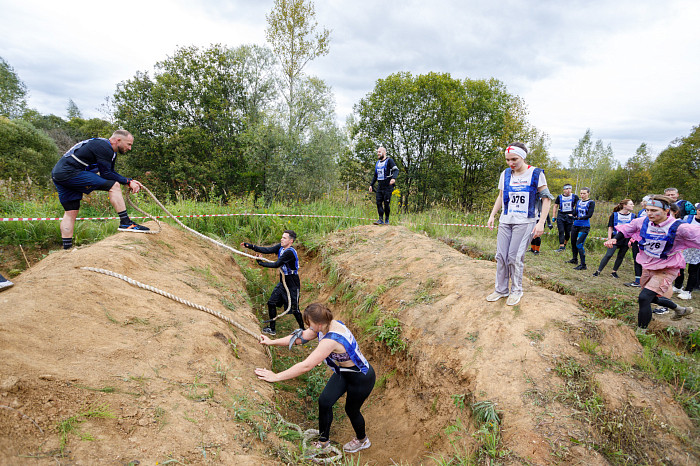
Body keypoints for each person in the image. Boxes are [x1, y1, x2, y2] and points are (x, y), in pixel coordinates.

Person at [255, 302, 375, 454]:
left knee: (351, 410)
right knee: (324, 401)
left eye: (310, 324)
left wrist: (276, 376)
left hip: (361, 377)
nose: (308, 327)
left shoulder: (331, 340)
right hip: (344, 372)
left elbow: (306, 366)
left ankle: (362, 440)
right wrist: (272, 342)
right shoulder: (324, 326)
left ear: (319, 323)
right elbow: (299, 338)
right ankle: (323, 442)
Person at [604, 195, 698, 329]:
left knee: (643, 298)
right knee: (650, 297)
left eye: (654, 210)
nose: (649, 213)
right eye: (648, 210)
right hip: (649, 265)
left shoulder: (679, 227)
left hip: (668, 267)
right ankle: (679, 309)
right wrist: (614, 239)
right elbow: (628, 229)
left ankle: (641, 333)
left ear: (666, 211)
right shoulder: (643, 222)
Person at [51, 130, 149, 250]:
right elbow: (106, 174)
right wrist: (128, 181)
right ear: (118, 140)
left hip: (58, 174)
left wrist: (129, 181)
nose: (130, 148)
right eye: (128, 144)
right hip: (70, 172)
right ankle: (125, 222)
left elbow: (110, 172)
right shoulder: (104, 146)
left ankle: (66, 249)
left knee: (70, 212)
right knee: (114, 186)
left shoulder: (107, 149)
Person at [486, 143, 553, 306]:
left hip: (525, 222)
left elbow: (546, 199)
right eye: (508, 160)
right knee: (501, 256)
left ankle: (516, 291)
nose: (511, 163)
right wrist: (492, 215)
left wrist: (541, 223)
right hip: (506, 220)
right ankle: (501, 290)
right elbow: (501, 196)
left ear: (522, 156)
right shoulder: (505, 174)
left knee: (514, 257)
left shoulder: (536, 173)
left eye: (514, 159)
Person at [242, 230, 304, 336]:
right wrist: (250, 246)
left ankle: (303, 330)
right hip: (282, 282)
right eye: (282, 237)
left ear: (291, 241)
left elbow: (276, 264)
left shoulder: (289, 252)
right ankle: (272, 328)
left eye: (284, 238)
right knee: (271, 303)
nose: (281, 239)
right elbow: (266, 250)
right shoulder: (280, 247)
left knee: (295, 309)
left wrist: (261, 263)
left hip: (292, 283)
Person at [593, 199, 636, 278]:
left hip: (626, 239)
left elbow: (634, 229)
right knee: (609, 254)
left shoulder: (633, 216)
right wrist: (609, 239)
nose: (633, 205)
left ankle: (614, 272)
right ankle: (598, 271)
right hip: (615, 237)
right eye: (631, 204)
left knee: (621, 256)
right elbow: (610, 227)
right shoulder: (615, 215)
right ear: (624, 205)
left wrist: (632, 239)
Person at [672, 209, 700, 300]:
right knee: (680, 267)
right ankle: (678, 286)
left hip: (697, 250)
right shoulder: (688, 218)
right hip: (684, 247)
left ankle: (688, 291)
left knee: (693, 270)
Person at [625, 196, 652, 287]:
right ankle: (637, 280)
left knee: (646, 261)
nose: (641, 203)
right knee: (636, 258)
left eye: (644, 201)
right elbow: (635, 227)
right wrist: (632, 238)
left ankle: (648, 281)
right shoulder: (640, 212)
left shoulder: (654, 214)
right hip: (637, 239)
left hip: (648, 241)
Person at [368, 146, 399, 225]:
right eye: (377, 152)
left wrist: (393, 178)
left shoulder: (389, 161)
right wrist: (371, 185)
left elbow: (396, 170)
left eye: (379, 152)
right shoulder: (377, 163)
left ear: (384, 153)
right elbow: (375, 175)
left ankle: (387, 220)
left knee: (386, 203)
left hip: (388, 186)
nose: (378, 153)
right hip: (380, 186)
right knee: (378, 202)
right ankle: (380, 219)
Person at [567, 188, 595, 270]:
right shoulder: (578, 201)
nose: (582, 195)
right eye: (581, 193)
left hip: (584, 226)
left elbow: (589, 215)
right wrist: (571, 215)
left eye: (584, 193)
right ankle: (574, 259)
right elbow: (575, 212)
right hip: (575, 225)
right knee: (573, 242)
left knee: (579, 244)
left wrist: (579, 218)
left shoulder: (591, 202)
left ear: (588, 193)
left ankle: (583, 265)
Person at [552, 184, 579, 252]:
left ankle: (564, 244)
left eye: (569, 188)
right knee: (561, 231)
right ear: (564, 190)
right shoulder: (559, 197)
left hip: (570, 216)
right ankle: (561, 247)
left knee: (567, 233)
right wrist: (553, 216)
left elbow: (577, 207)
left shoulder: (574, 197)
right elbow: (555, 206)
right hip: (561, 215)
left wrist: (575, 215)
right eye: (566, 189)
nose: (568, 190)